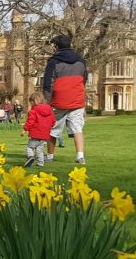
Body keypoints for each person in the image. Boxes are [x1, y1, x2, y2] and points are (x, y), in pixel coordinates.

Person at [42, 34, 88, 164]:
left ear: (56, 47)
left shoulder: (53, 62)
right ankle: (80, 156)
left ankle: (50, 156)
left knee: (53, 129)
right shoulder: (81, 61)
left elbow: (48, 83)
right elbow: (84, 79)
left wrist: (46, 101)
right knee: (78, 128)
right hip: (77, 99)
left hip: (59, 100)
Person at [21, 91, 55, 167]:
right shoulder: (49, 110)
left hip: (35, 134)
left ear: (34, 101)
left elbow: (30, 122)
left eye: (31, 102)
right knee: (40, 149)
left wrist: (24, 129)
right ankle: (40, 163)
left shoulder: (33, 111)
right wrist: (48, 127)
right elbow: (53, 121)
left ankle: (30, 157)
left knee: (30, 147)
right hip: (45, 135)